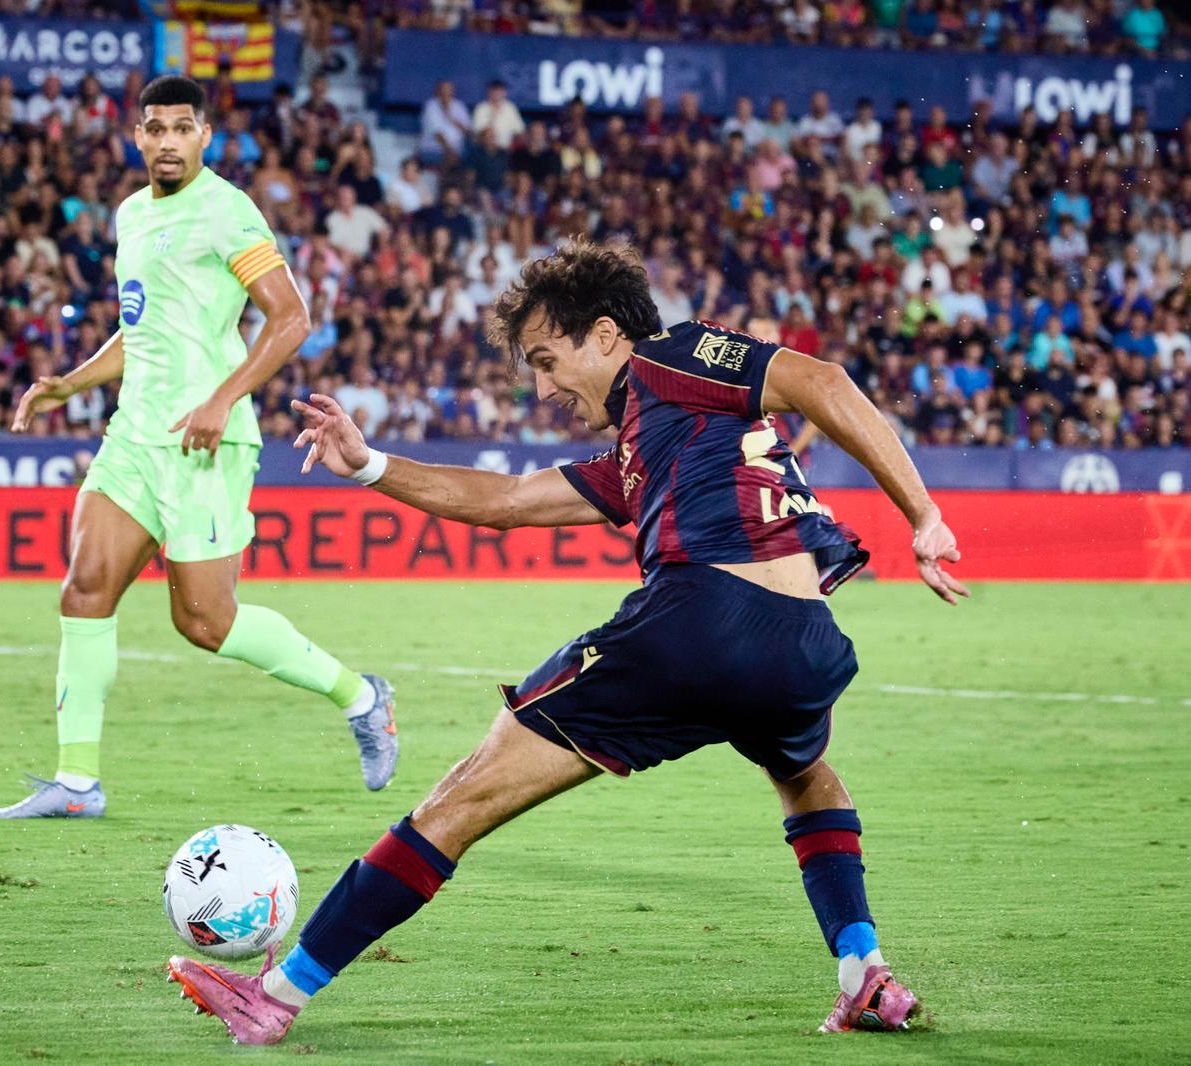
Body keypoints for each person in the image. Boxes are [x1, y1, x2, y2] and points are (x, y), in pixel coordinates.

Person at [167, 238, 968, 1045]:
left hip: (702, 619)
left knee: (465, 794)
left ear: (610, 335)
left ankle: (277, 993)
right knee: (806, 777)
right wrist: (371, 463)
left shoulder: (675, 358)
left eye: (548, 360)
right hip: (805, 648)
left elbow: (820, 381)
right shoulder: (648, 444)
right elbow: (509, 498)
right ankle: (862, 971)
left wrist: (923, 514)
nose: (543, 387)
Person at [0, 76, 398, 821]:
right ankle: (77, 783)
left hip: (206, 441)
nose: (168, 141)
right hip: (133, 436)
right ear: (138, 137)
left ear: (204, 136)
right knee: (84, 590)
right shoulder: (131, 214)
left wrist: (222, 397)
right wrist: (69, 384)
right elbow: (140, 328)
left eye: (182, 128)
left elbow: (289, 318)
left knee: (204, 621)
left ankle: (363, 696)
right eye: (155, 128)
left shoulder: (225, 209)